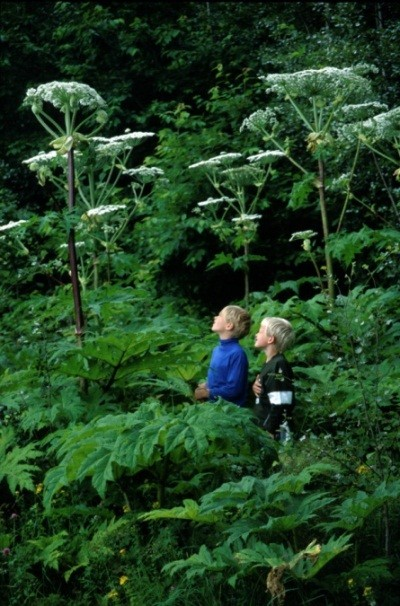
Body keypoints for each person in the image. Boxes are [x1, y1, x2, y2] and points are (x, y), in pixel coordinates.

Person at [194, 305, 251, 407]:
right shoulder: (216, 350)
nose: (215, 317)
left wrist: (207, 393)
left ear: (229, 325)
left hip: (230, 412)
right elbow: (220, 380)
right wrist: (206, 385)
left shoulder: (237, 354)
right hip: (214, 408)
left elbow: (234, 390)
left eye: (220, 316)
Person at [252, 317, 295, 440]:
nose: (256, 334)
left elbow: (281, 401)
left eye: (260, 331)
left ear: (271, 339)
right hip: (264, 427)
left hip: (274, 433)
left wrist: (270, 429)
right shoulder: (270, 363)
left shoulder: (278, 364)